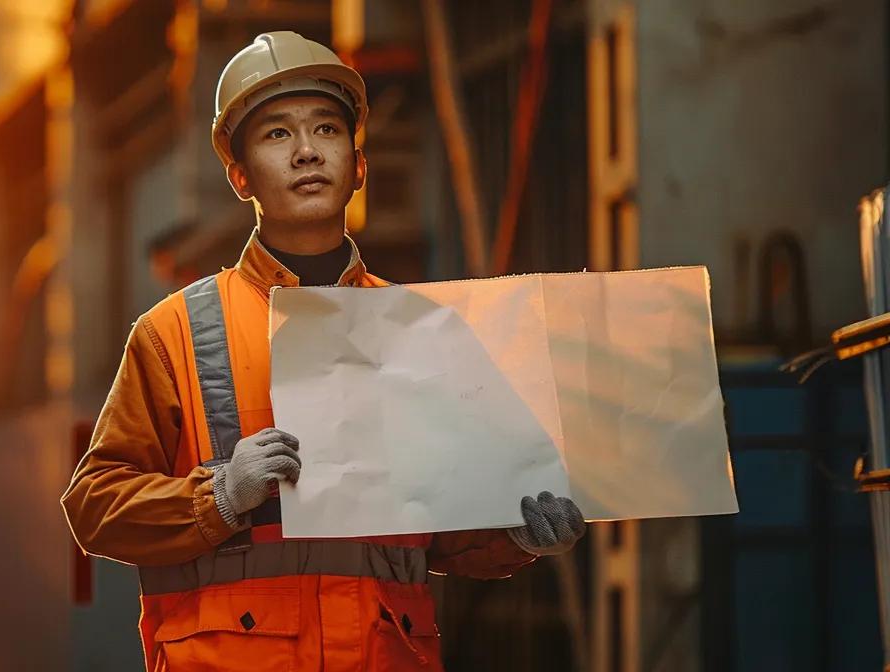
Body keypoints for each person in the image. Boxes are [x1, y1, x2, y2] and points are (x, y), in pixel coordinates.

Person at [60, 31, 586, 671]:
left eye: (327, 130)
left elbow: (443, 528)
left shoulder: (418, 331)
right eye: (277, 134)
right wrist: (220, 497)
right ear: (240, 176)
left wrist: (516, 535)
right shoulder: (175, 333)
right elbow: (95, 506)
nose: (307, 151)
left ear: (359, 166)